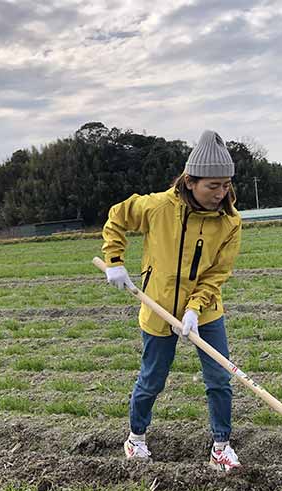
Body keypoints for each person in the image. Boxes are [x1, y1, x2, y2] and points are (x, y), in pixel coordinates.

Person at [101, 130, 242, 472]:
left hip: (206, 312)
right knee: (152, 380)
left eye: (225, 185)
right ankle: (136, 440)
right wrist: (114, 261)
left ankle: (221, 447)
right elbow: (117, 216)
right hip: (157, 308)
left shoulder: (230, 222)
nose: (221, 194)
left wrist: (195, 307)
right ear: (191, 181)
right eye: (213, 186)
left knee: (219, 379)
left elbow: (217, 273)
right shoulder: (158, 207)